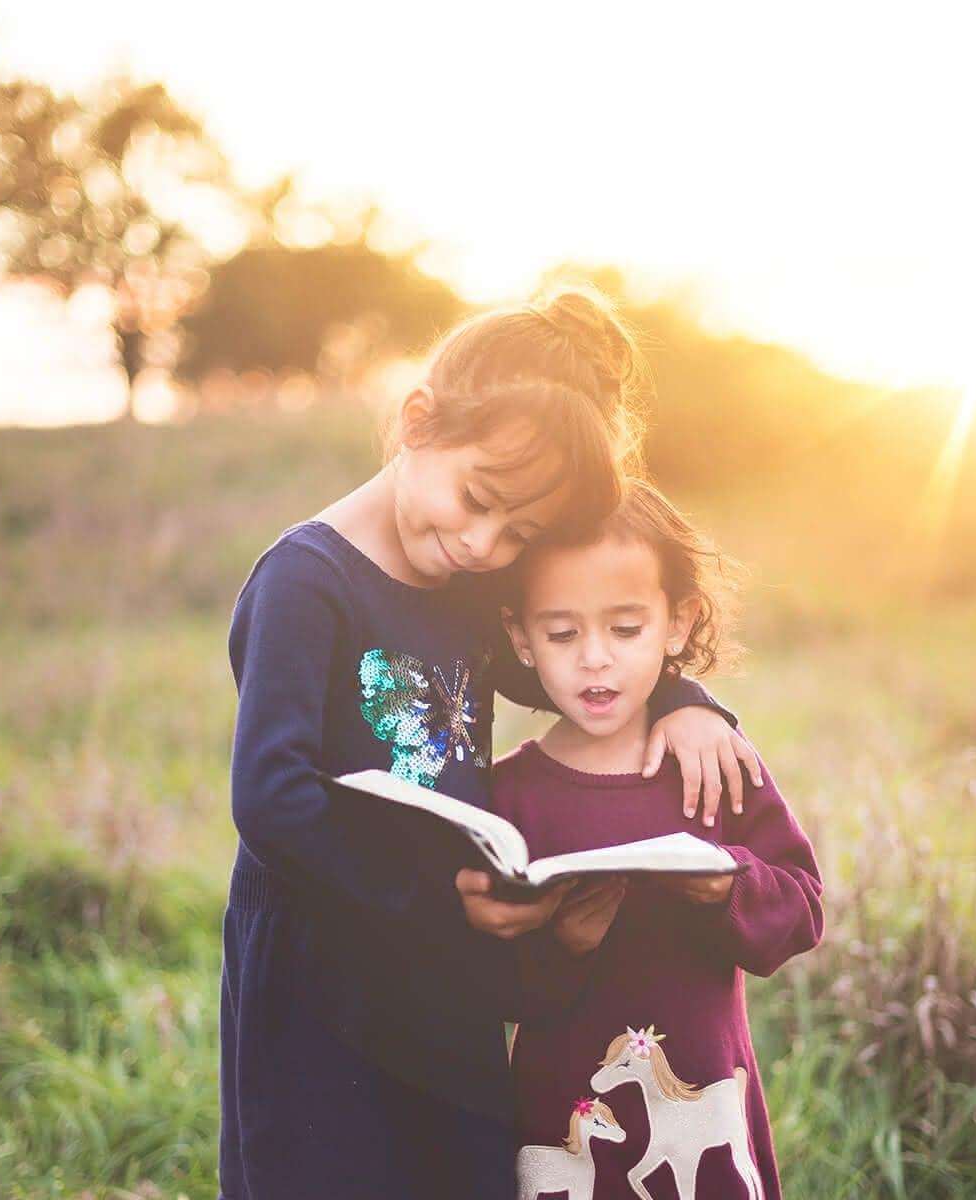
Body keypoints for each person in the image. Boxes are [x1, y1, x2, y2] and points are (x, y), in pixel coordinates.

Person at [218, 290, 761, 1200]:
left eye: (519, 534)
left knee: (455, 1171)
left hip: (447, 971)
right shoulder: (306, 582)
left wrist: (686, 699)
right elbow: (270, 798)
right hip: (322, 975)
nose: (483, 543)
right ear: (416, 422)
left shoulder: (468, 587)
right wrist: (439, 899)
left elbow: (569, 677)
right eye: (478, 500)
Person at [495, 478, 824, 1200]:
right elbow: (488, 984)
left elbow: (802, 910)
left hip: (702, 1095)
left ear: (677, 623)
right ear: (520, 638)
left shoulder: (712, 763)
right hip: (563, 1107)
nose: (594, 658)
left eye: (625, 629)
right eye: (561, 634)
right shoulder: (508, 797)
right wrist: (561, 946)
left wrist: (727, 885)